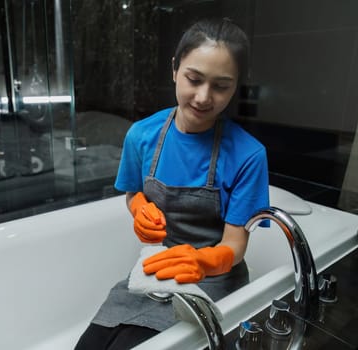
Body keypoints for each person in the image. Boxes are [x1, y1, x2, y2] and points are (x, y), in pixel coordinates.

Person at [74, 17, 269, 350]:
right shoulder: (142, 135)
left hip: (214, 282)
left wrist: (202, 262)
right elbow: (134, 193)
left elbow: (235, 245)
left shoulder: (249, 154)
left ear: (236, 86)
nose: (204, 97)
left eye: (221, 86)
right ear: (175, 70)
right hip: (155, 272)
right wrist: (139, 209)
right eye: (194, 79)